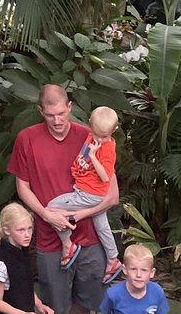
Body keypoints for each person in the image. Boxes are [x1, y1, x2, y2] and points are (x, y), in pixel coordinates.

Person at [7, 85, 120, 314]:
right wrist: (48, 215)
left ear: (70, 107)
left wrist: (76, 216)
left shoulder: (92, 136)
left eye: (61, 113)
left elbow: (112, 194)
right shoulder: (26, 139)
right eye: (50, 115)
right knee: (54, 310)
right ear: (40, 111)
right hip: (50, 241)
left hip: (90, 239)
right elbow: (23, 187)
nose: (57, 120)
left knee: (88, 306)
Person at [45, 106, 123, 284]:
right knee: (102, 226)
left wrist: (95, 156)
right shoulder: (93, 135)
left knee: (53, 208)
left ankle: (68, 245)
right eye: (96, 134)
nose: (99, 139)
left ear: (114, 132)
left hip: (90, 193)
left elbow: (105, 177)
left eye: (104, 136)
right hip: (88, 189)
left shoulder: (107, 149)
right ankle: (113, 259)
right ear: (90, 126)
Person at [0, 202, 55, 314]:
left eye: (30, 228)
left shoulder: (23, 251)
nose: (27, 235)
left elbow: (26, 285)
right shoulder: (1, 263)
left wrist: (39, 304)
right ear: (7, 230)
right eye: (21, 230)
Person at [96, 244, 168, 314]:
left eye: (144, 270)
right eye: (133, 269)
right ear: (125, 269)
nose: (139, 275)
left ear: (152, 272)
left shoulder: (157, 292)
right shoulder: (113, 293)